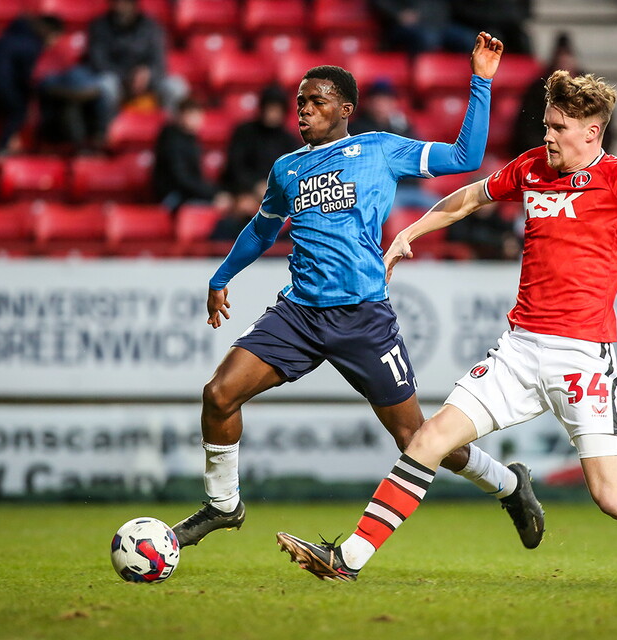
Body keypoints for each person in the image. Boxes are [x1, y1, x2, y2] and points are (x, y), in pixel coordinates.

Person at [277, 71, 617, 583]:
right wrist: (411, 232)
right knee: (427, 440)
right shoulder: (533, 166)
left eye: (559, 127)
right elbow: (468, 197)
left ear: (592, 133)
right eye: (547, 124)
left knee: (614, 498)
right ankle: (348, 559)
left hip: (582, 361)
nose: (548, 136)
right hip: (519, 351)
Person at [172, 33, 546, 555]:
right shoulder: (287, 168)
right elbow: (262, 228)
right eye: (300, 101)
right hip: (299, 314)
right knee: (218, 394)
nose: (303, 110)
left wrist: (481, 78)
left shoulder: (379, 149)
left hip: (362, 318)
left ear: (345, 109)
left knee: (416, 437)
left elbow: (467, 155)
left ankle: (509, 484)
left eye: (316, 100)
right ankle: (222, 505)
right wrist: (221, 277)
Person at [0, 14, 65, 155]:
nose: (55, 42)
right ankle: (2, 147)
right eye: (56, 37)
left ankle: (4, 141)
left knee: (6, 106)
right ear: (50, 32)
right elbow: (23, 77)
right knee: (19, 111)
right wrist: (32, 95)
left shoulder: (12, 35)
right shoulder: (32, 45)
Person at [512, 32, 616, 158]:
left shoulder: (592, 95)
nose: (549, 136)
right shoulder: (537, 91)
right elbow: (526, 131)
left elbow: (606, 131)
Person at [349, 79, 440, 210]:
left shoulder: (401, 126)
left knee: (443, 209)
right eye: (378, 100)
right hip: (382, 191)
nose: (382, 105)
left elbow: (418, 153)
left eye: (387, 101)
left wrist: (402, 127)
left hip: (411, 188)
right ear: (368, 103)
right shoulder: (356, 128)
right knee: (389, 212)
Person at [87, 0, 186, 114]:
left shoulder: (151, 26)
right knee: (106, 84)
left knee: (176, 86)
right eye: (116, 2)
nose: (120, 5)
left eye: (125, 2)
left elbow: (159, 63)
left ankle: (170, 128)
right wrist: (128, 77)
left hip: (148, 82)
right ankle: (110, 127)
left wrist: (147, 73)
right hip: (119, 80)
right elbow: (99, 62)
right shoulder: (100, 26)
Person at [152, 97, 231, 212]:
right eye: (191, 115)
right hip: (173, 197)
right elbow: (181, 179)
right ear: (180, 116)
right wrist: (212, 194)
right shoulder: (171, 140)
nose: (196, 119)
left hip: (188, 194)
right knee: (219, 207)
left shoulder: (191, 139)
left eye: (198, 115)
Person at [222, 85, 300, 196]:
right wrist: (254, 185)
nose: (273, 114)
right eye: (270, 109)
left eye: (277, 110)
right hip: (242, 191)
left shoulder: (289, 140)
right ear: (262, 108)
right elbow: (235, 167)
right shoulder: (244, 132)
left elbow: (293, 173)